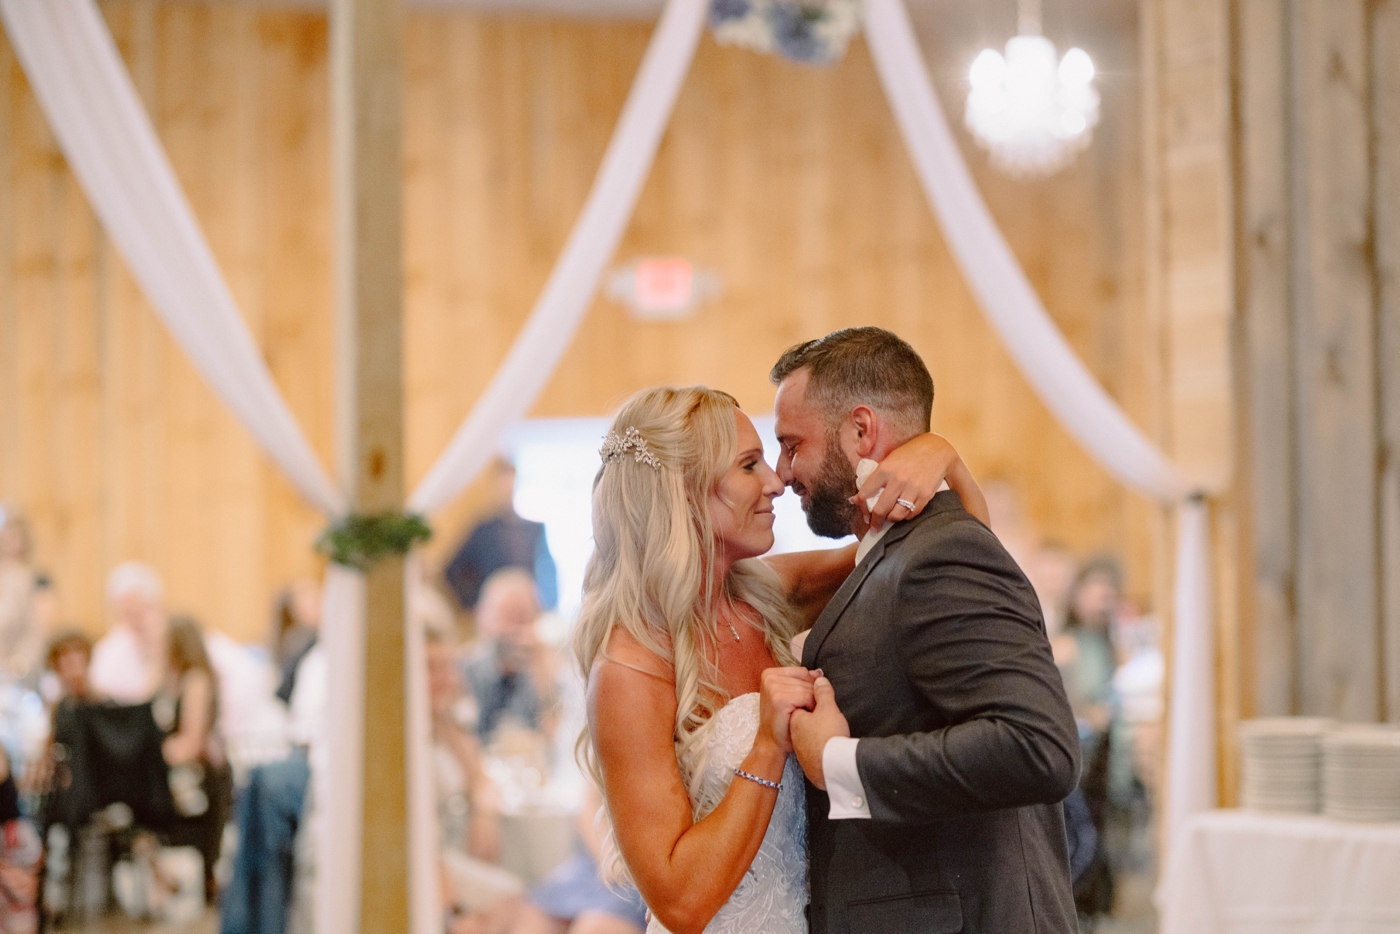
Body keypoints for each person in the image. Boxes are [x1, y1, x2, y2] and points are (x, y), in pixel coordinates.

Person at [575, 384, 984, 934]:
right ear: (684, 491)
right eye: (749, 465)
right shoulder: (631, 666)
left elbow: (945, 551)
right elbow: (680, 904)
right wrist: (768, 746)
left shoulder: (769, 593)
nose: (776, 482)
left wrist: (943, 455)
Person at [772, 328, 1080, 934]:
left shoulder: (940, 554)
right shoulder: (893, 554)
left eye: (790, 445)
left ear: (861, 431)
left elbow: (1037, 747)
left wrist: (837, 763)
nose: (783, 474)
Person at [153, 617, 234, 904]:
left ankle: (165, 878)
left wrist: (150, 755)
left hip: (202, 778)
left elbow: (192, 741)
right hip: (191, 773)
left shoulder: (196, 680)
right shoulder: (177, 679)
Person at [461, 570, 560, 745]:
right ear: (482, 617)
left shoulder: (551, 671)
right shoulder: (462, 671)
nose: (514, 629)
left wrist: (543, 675)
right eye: (506, 616)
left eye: (523, 617)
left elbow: (557, 739)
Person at [445, 459, 559, 612]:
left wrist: (546, 604)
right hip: (495, 610)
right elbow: (452, 569)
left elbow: (548, 572)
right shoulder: (482, 530)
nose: (507, 489)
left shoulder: (535, 529)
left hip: (527, 609)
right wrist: (476, 601)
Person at [89, 562, 167, 703]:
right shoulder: (109, 650)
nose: (138, 621)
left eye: (142, 610)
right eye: (129, 614)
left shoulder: (180, 642)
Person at [0, 511, 51, 684]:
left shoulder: (37, 580)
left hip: (24, 664)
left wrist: (21, 661)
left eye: (16, 537)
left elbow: (42, 628)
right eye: (6, 537)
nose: (11, 543)